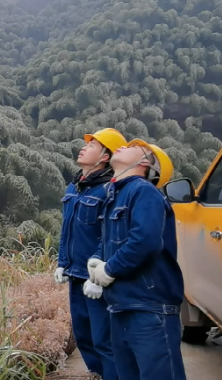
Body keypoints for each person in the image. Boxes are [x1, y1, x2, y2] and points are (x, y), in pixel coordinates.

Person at [87, 139, 187, 380]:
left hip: (149, 307)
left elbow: (145, 240)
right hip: (121, 305)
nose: (122, 145)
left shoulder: (143, 191)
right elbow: (112, 241)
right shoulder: (116, 196)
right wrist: (95, 264)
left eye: (133, 146)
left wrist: (109, 269)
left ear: (145, 163)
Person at [55, 128, 126, 380]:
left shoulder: (110, 190)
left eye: (93, 145)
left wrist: (97, 275)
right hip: (74, 275)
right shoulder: (74, 187)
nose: (84, 147)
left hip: (97, 278)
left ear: (105, 156)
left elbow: (111, 235)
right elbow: (67, 230)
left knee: (104, 340)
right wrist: (62, 262)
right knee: (84, 336)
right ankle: (96, 376)